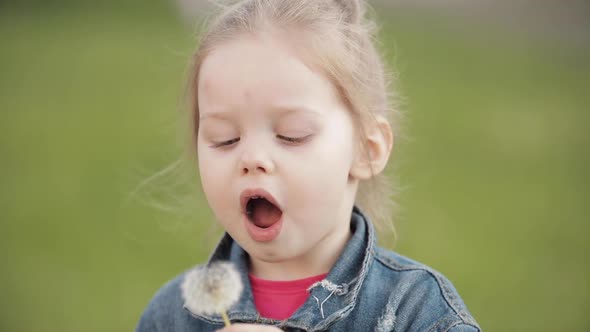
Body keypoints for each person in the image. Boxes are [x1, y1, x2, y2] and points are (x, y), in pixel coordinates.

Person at [136, 0, 481, 331]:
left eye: (291, 135)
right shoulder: (172, 317)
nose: (252, 158)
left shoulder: (418, 312)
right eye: (225, 138)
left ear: (365, 149)